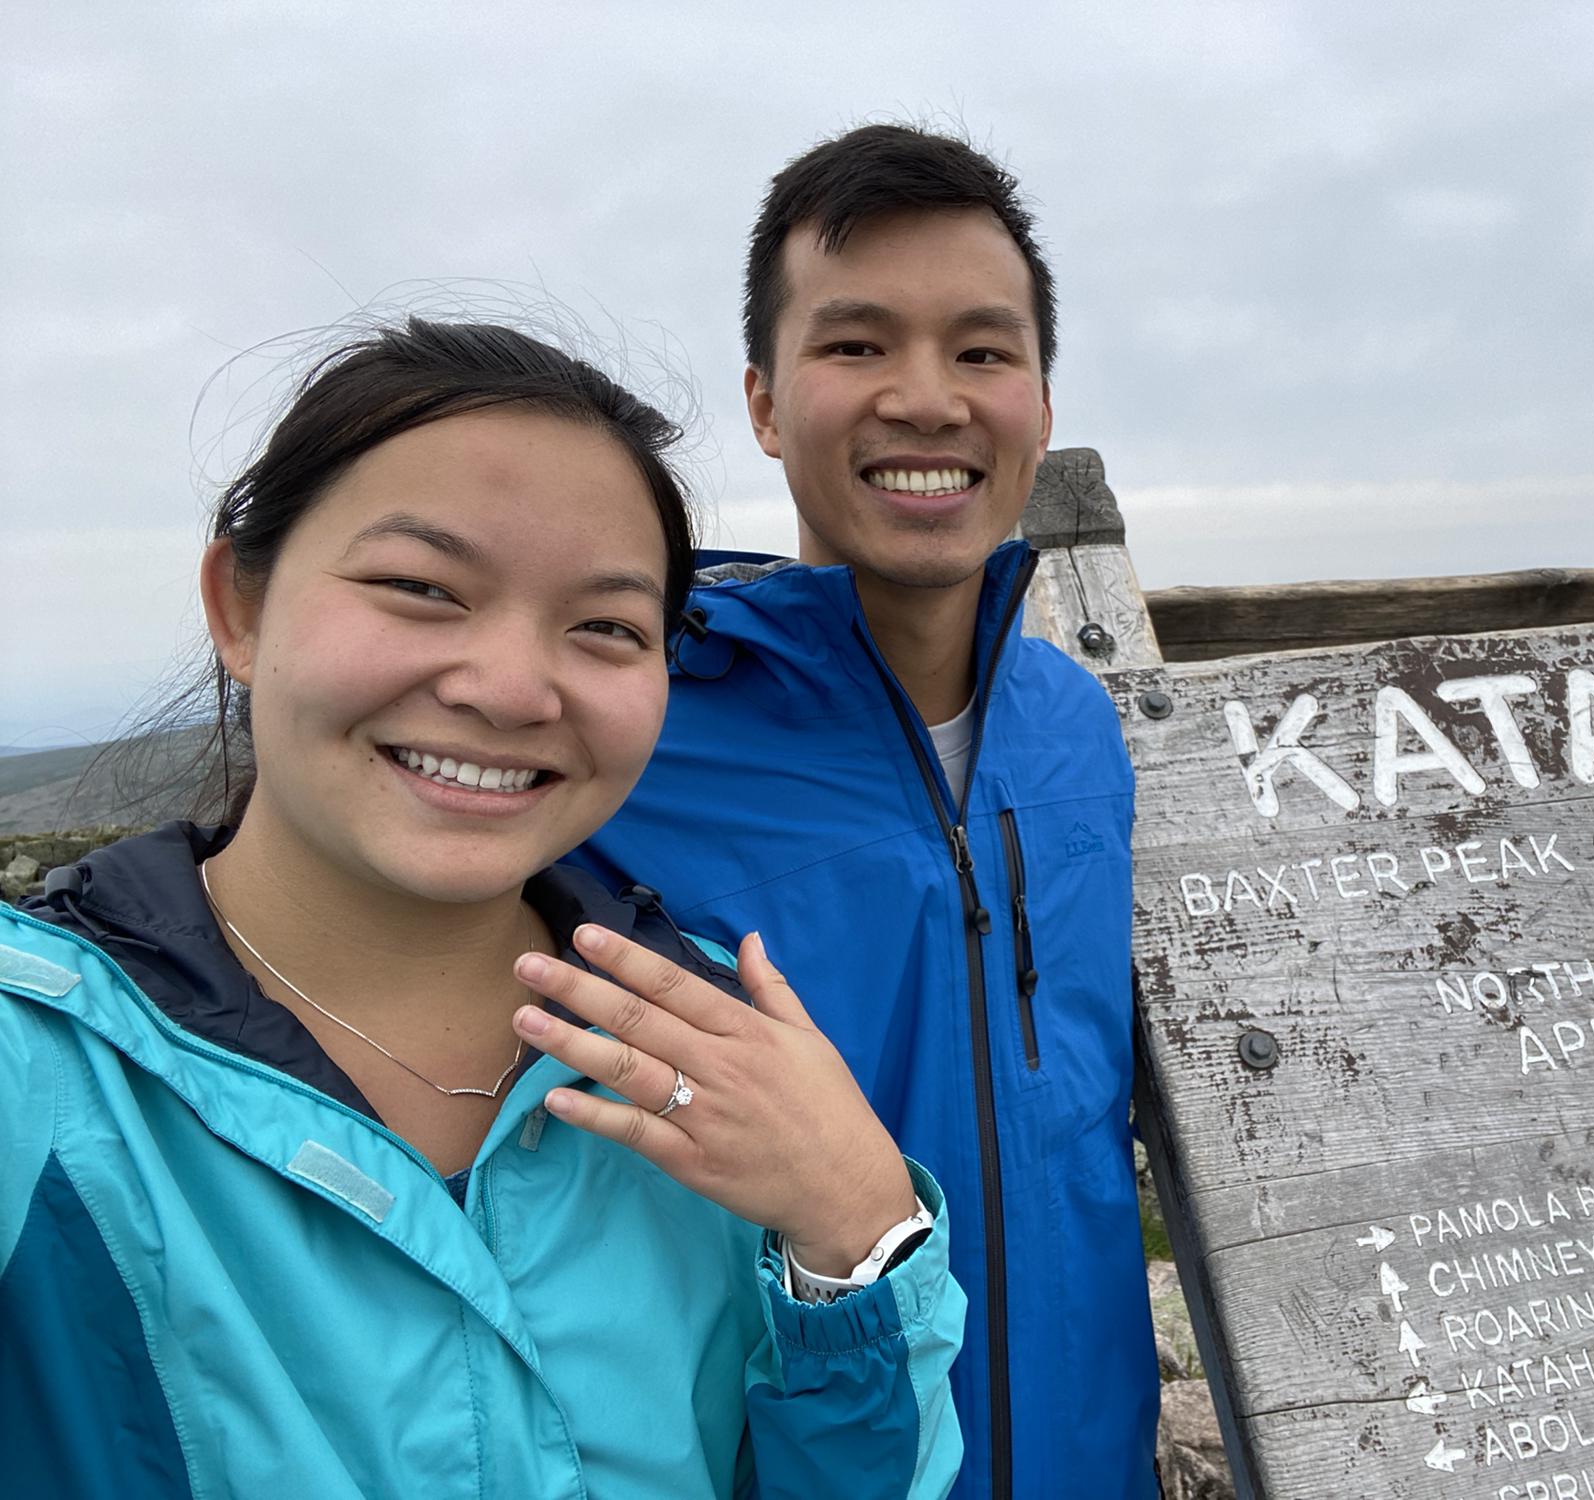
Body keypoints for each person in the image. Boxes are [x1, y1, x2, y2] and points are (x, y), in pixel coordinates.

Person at [0, 318, 964, 1499]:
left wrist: (855, 1239)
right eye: (420, 588)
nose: (511, 690)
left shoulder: (708, 1050)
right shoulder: (38, 1060)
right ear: (237, 605)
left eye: (606, 627)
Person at [573, 125, 1158, 1499]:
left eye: (981, 350)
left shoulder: (1078, 730)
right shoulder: (637, 737)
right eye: (855, 346)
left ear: (1043, 402)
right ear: (767, 404)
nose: (926, 400)